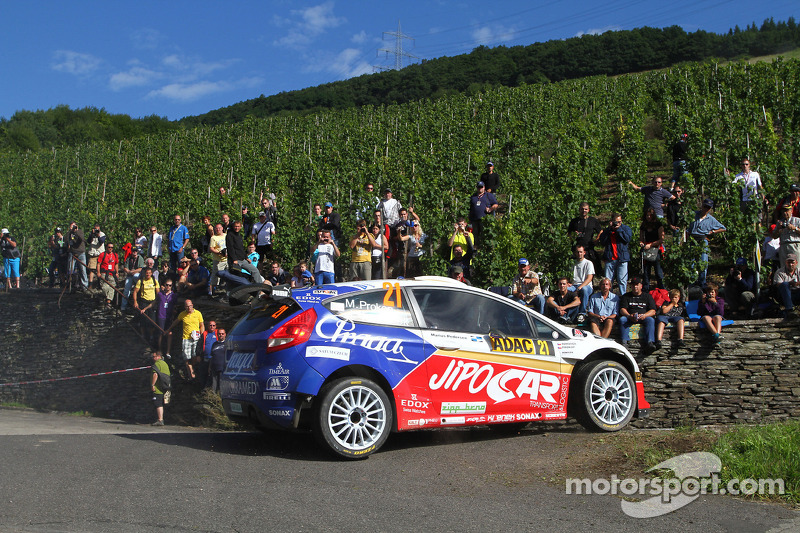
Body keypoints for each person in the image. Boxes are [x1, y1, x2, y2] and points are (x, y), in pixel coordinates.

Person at [688, 199, 726, 287]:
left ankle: (702, 283)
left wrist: (713, 231)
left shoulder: (711, 219)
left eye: (708, 208)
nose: (706, 209)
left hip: (703, 240)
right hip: (692, 240)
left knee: (703, 262)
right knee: (691, 263)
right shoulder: (693, 215)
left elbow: (723, 228)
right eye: (705, 206)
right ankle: (692, 282)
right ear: (702, 206)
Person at [167, 299, 204, 380]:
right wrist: (169, 329)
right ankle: (191, 374)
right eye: (187, 306)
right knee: (186, 358)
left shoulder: (198, 313)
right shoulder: (182, 314)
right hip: (186, 339)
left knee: (194, 356)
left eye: (190, 306)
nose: (189, 308)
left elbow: (202, 325)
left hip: (196, 338)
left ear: (192, 305)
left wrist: (202, 335)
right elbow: (176, 322)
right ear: (185, 307)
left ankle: (193, 371)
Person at [618, 277, 657, 352]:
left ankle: (650, 342)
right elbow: (622, 309)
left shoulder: (647, 296)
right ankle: (624, 342)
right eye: (633, 285)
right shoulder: (626, 296)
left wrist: (645, 315)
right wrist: (629, 316)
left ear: (641, 286)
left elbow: (653, 311)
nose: (635, 287)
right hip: (630, 317)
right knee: (622, 319)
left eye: (637, 285)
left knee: (650, 320)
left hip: (644, 317)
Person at [599, 213, 632, 295]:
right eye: (615, 222)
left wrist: (618, 229)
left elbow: (627, 239)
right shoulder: (607, 230)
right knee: (608, 281)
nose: (617, 224)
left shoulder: (625, 229)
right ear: (611, 221)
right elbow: (602, 241)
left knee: (622, 281)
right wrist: (609, 230)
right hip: (610, 259)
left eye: (619, 222)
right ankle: (608, 298)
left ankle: (623, 298)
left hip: (622, 259)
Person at [567, 202, 602, 274]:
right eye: (582, 209)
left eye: (586, 209)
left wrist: (597, 240)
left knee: (590, 269)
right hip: (576, 249)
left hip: (588, 249)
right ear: (579, 210)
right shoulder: (574, 221)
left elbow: (600, 231)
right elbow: (569, 233)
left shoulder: (593, 220)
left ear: (588, 210)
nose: (584, 211)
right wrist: (573, 236)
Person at [639, 207, 665, 291]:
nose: (648, 217)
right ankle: (645, 290)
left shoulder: (658, 224)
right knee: (646, 272)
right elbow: (641, 238)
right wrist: (642, 243)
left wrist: (651, 245)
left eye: (650, 215)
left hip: (656, 249)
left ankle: (662, 289)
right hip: (647, 250)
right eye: (647, 215)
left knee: (658, 272)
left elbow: (661, 239)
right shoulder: (644, 225)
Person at [133, 267, 160, 345]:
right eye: (146, 273)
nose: (148, 274)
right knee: (143, 320)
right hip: (143, 302)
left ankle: (151, 336)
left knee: (152, 320)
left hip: (152, 302)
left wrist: (158, 301)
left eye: (149, 273)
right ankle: (143, 335)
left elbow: (158, 293)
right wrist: (135, 302)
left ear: (151, 273)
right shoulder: (140, 281)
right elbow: (135, 292)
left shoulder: (155, 281)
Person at [568, 244, 594, 316]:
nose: (579, 254)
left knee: (584, 290)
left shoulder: (588, 263)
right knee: (565, 289)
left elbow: (589, 278)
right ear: (575, 253)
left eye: (581, 252)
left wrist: (580, 287)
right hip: (574, 285)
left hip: (586, 285)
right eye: (577, 252)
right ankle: (565, 313)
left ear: (584, 253)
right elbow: (568, 277)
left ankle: (582, 313)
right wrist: (568, 283)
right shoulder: (572, 263)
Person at [154, 279, 177, 358]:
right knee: (160, 333)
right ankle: (159, 349)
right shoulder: (160, 294)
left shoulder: (173, 295)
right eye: (167, 285)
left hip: (169, 316)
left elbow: (175, 306)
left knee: (169, 334)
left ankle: (168, 352)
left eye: (170, 285)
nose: (168, 287)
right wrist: (145, 309)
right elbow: (154, 302)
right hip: (161, 316)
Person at [773, 253, 800, 319]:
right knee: (784, 284)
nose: (791, 264)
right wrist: (790, 283)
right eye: (789, 262)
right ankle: (789, 310)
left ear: (796, 262)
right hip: (784, 295)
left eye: (792, 263)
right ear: (786, 262)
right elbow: (778, 284)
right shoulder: (780, 272)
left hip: (796, 293)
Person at [95, 242, 119, 307]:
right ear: (106, 247)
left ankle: (108, 301)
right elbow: (98, 264)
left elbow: (116, 264)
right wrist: (98, 272)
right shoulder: (102, 255)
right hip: (104, 273)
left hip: (112, 274)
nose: (110, 249)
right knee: (105, 287)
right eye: (109, 247)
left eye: (112, 247)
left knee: (112, 287)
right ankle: (106, 299)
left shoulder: (115, 255)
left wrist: (117, 272)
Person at [150, 351, 170, 426]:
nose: (153, 358)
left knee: (158, 403)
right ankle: (161, 418)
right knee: (162, 402)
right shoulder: (165, 363)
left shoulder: (157, 364)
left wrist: (153, 385)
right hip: (165, 386)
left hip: (158, 387)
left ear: (158, 356)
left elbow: (155, 374)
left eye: (154, 356)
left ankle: (160, 419)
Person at [67, 221, 88, 291]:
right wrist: (70, 231)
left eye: (74, 226)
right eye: (72, 226)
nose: (74, 228)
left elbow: (81, 238)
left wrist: (76, 231)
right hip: (72, 253)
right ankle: (71, 284)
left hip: (81, 252)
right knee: (70, 270)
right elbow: (66, 240)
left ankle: (85, 286)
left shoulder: (80, 231)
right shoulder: (69, 233)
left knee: (83, 270)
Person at [208, 223, 227, 295]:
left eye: (219, 228)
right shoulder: (213, 238)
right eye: (216, 228)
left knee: (229, 275)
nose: (218, 229)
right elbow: (211, 248)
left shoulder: (226, 236)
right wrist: (219, 253)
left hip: (227, 259)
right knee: (216, 276)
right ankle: (212, 291)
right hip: (218, 260)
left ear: (222, 228)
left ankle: (226, 290)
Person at [85, 223, 106, 290]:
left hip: (100, 254)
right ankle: (90, 284)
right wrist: (92, 234)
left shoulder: (102, 234)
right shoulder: (91, 234)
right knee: (92, 269)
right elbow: (88, 241)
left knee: (100, 270)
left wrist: (98, 235)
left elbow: (101, 241)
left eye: (97, 229)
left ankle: (100, 284)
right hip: (93, 253)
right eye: (95, 228)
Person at [209, 328, 227, 393]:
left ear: (225, 334)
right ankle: (214, 398)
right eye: (219, 334)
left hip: (224, 368)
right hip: (214, 368)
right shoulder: (214, 344)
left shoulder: (227, 344)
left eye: (222, 334)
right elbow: (212, 356)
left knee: (221, 386)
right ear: (217, 335)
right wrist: (209, 367)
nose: (221, 335)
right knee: (214, 385)